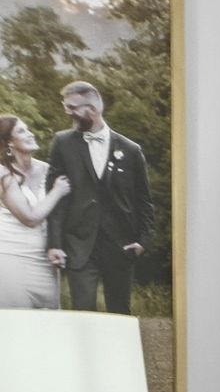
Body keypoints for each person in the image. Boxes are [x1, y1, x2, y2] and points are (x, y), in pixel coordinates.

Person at [43, 80, 152, 314]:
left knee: (119, 314)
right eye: (66, 106)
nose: (67, 112)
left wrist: (143, 240)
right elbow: (55, 198)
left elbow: (143, 199)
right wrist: (55, 243)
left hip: (121, 246)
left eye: (72, 107)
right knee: (82, 315)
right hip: (79, 245)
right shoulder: (62, 143)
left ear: (93, 109)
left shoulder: (131, 150)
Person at [0, 115, 70, 308]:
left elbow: (61, 215)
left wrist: (58, 244)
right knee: (17, 322)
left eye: (28, 129)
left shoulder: (47, 170)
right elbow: (30, 218)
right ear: (9, 143)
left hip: (44, 258)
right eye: (21, 131)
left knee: (48, 322)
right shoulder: (3, 174)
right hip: (11, 257)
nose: (30, 134)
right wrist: (57, 191)